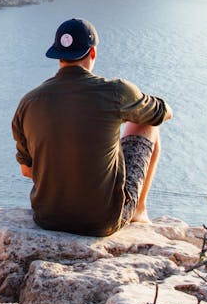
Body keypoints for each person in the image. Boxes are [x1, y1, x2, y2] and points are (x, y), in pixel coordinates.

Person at [11, 18, 172, 236]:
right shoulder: (116, 92)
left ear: (58, 56)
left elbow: (27, 170)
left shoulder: (29, 102)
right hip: (101, 222)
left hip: (48, 218)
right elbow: (162, 113)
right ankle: (139, 211)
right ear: (92, 53)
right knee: (148, 124)